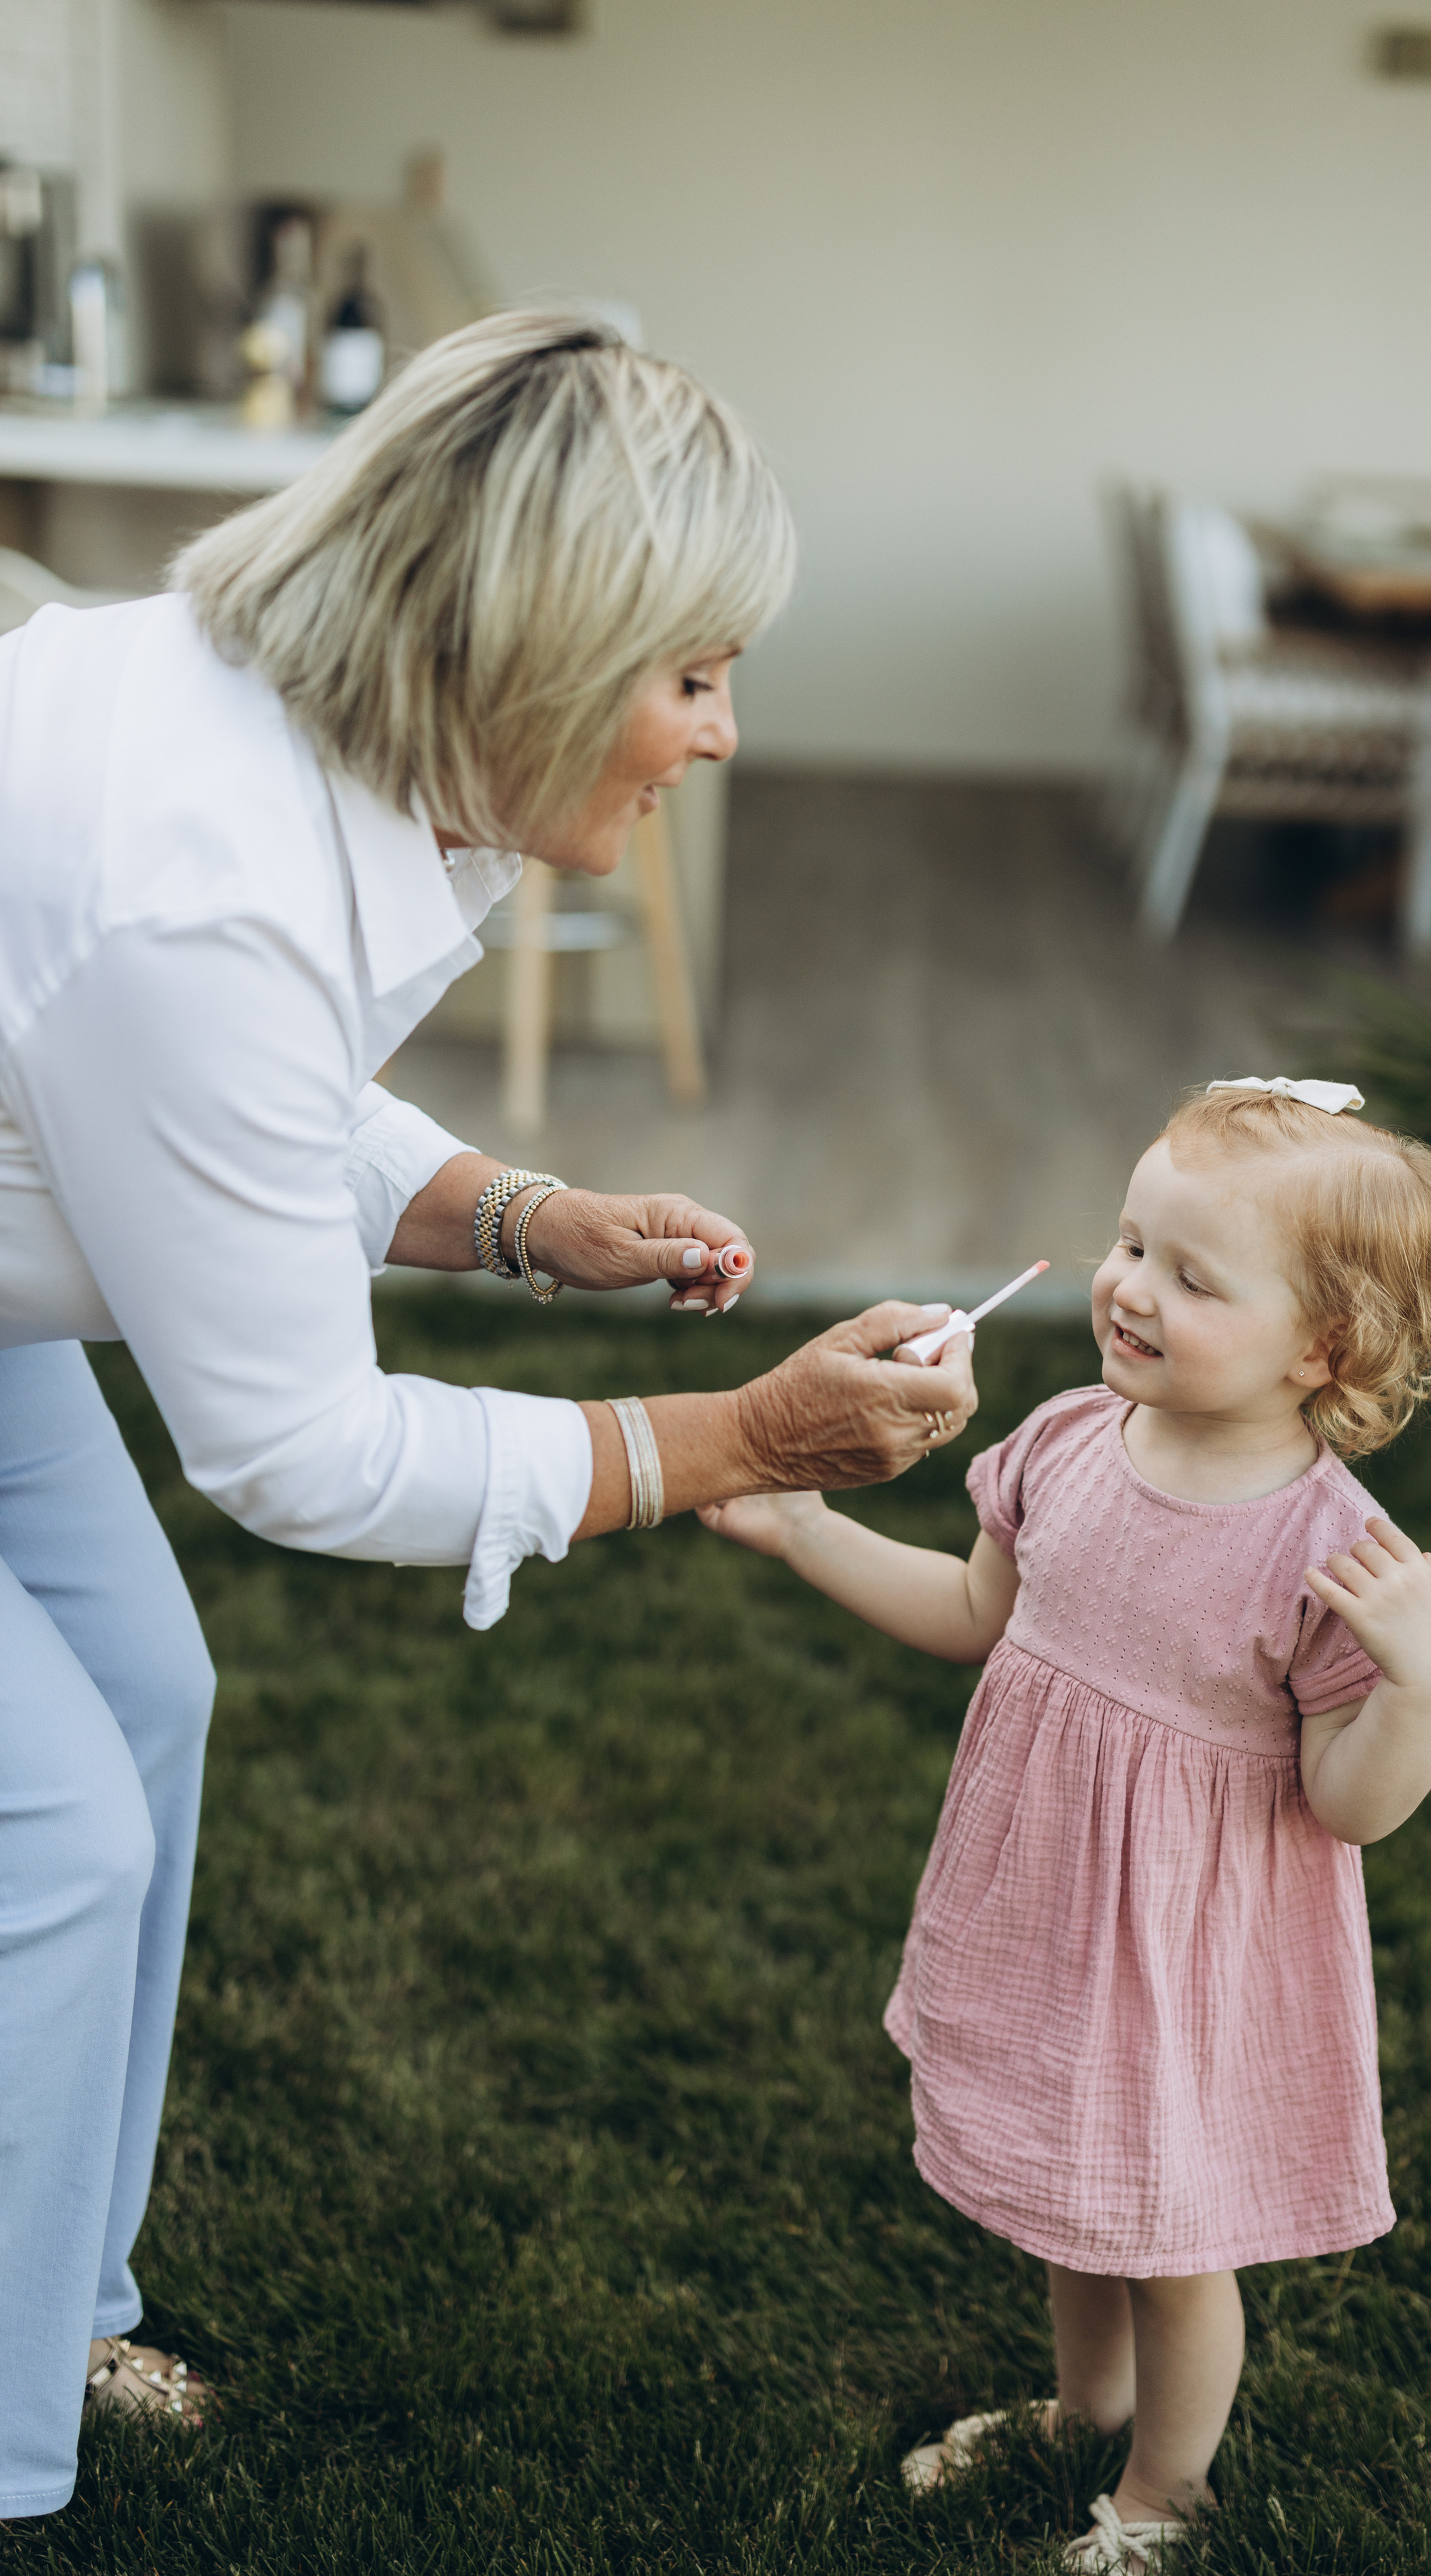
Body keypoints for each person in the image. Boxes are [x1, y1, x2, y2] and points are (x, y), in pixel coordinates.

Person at [0, 311, 977, 2522]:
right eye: (693, 674)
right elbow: (299, 1454)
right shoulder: (198, 866)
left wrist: (513, 1214)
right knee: (48, 1833)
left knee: (142, 1697)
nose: (724, 735)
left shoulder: (346, 750)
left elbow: (222, 1106)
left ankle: (44, 2293)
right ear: (536, 642)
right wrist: (741, 1440)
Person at [700, 1076, 1431, 2568]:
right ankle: (1083, 2405)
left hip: (1189, 1946)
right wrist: (802, 1527)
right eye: (1131, 1244)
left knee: (1171, 2237)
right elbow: (972, 1616)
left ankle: (1161, 2497)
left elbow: (1350, 1805)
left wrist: (1421, 1681)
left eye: (1191, 1277)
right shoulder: (1070, 1438)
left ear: (1320, 1348)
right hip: (1049, 1898)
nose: (1128, 1289)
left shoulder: (1326, 1552)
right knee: (1075, 2192)